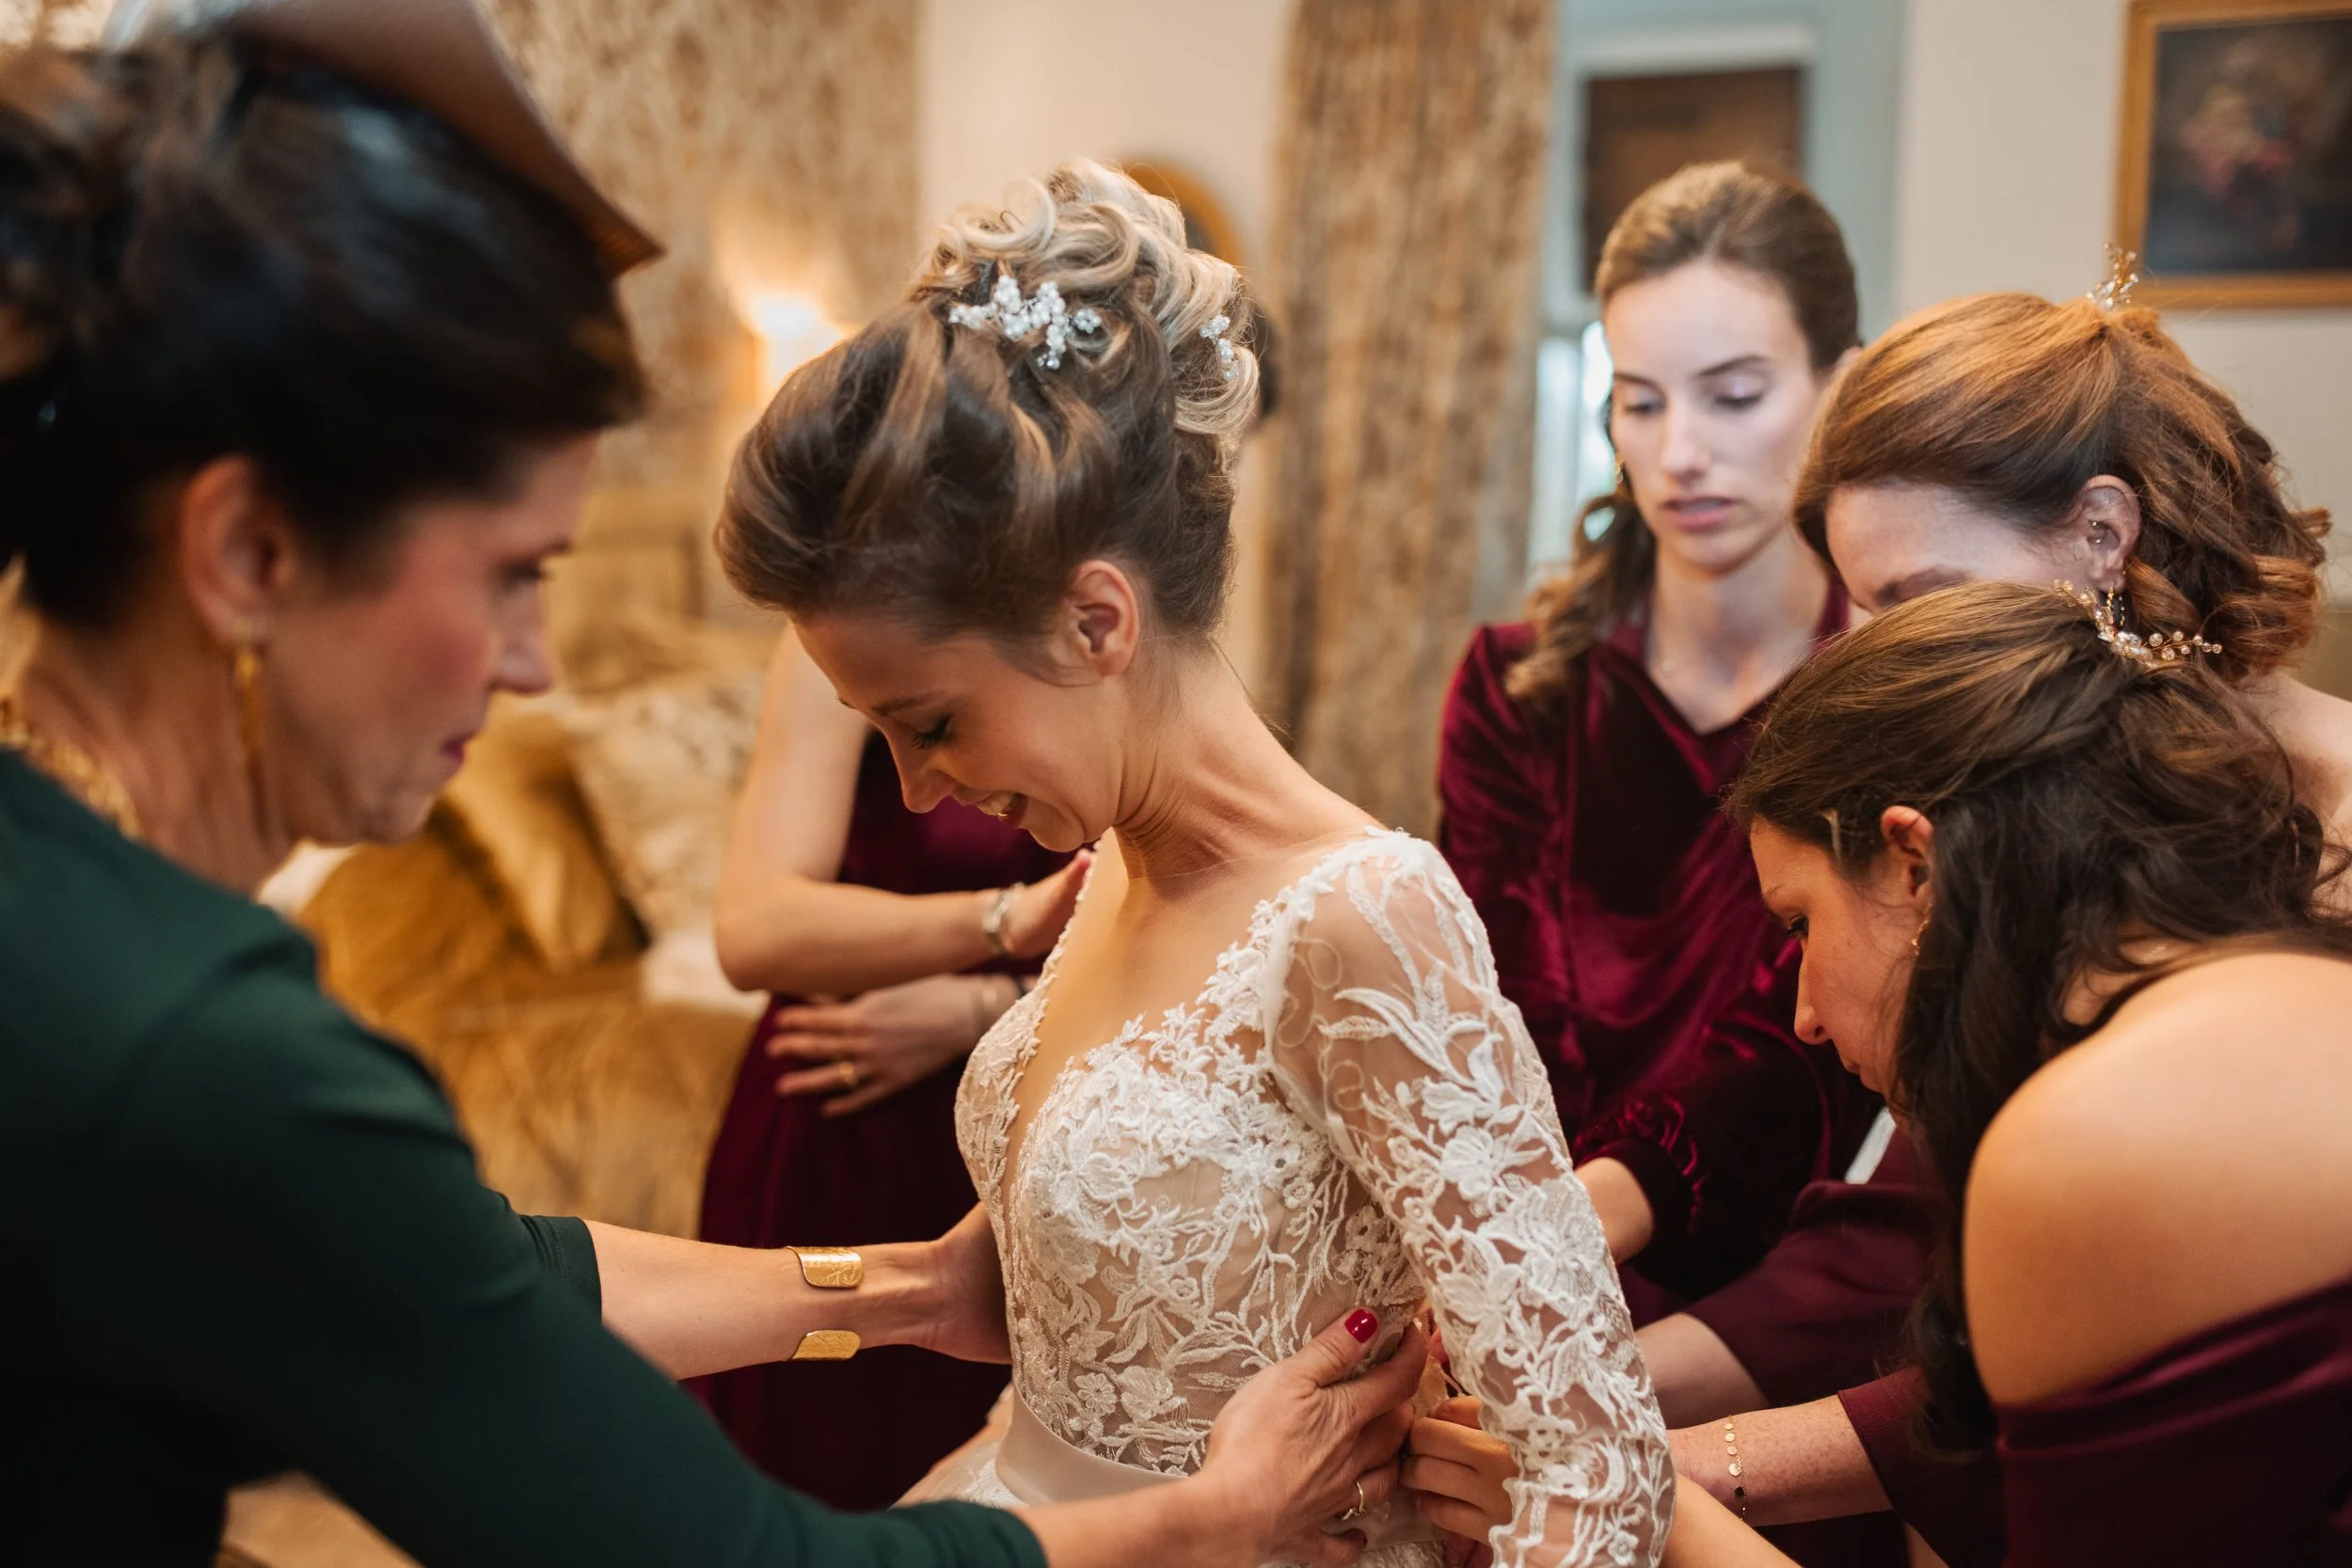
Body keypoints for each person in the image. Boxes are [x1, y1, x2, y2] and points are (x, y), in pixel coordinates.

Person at [0, 8, 1424, 1565]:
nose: (537, 662)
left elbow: (466, 1268)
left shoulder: (67, 912)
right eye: (512, 572)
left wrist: (907, 1291)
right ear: (250, 554)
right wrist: (1210, 1520)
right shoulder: (204, 1044)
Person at [713, 159, 1675, 1566]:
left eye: (932, 722)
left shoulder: (1368, 912)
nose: (922, 787)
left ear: (1098, 617)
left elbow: (1599, 1469)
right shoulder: (1109, 867)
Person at [1675, 284, 2349, 1568]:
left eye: (1912, 596)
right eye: (1853, 608)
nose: (1858, 655)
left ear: (2103, 532)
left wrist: (1659, 1486)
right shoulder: (2029, 857)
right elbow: (1925, 1267)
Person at [696, 629, 1086, 1508]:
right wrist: (1003, 921)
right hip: (848, 1110)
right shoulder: (835, 638)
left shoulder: (1090, 642)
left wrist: (984, 1006)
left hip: (1042, 1099)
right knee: (817, 1475)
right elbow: (754, 925)